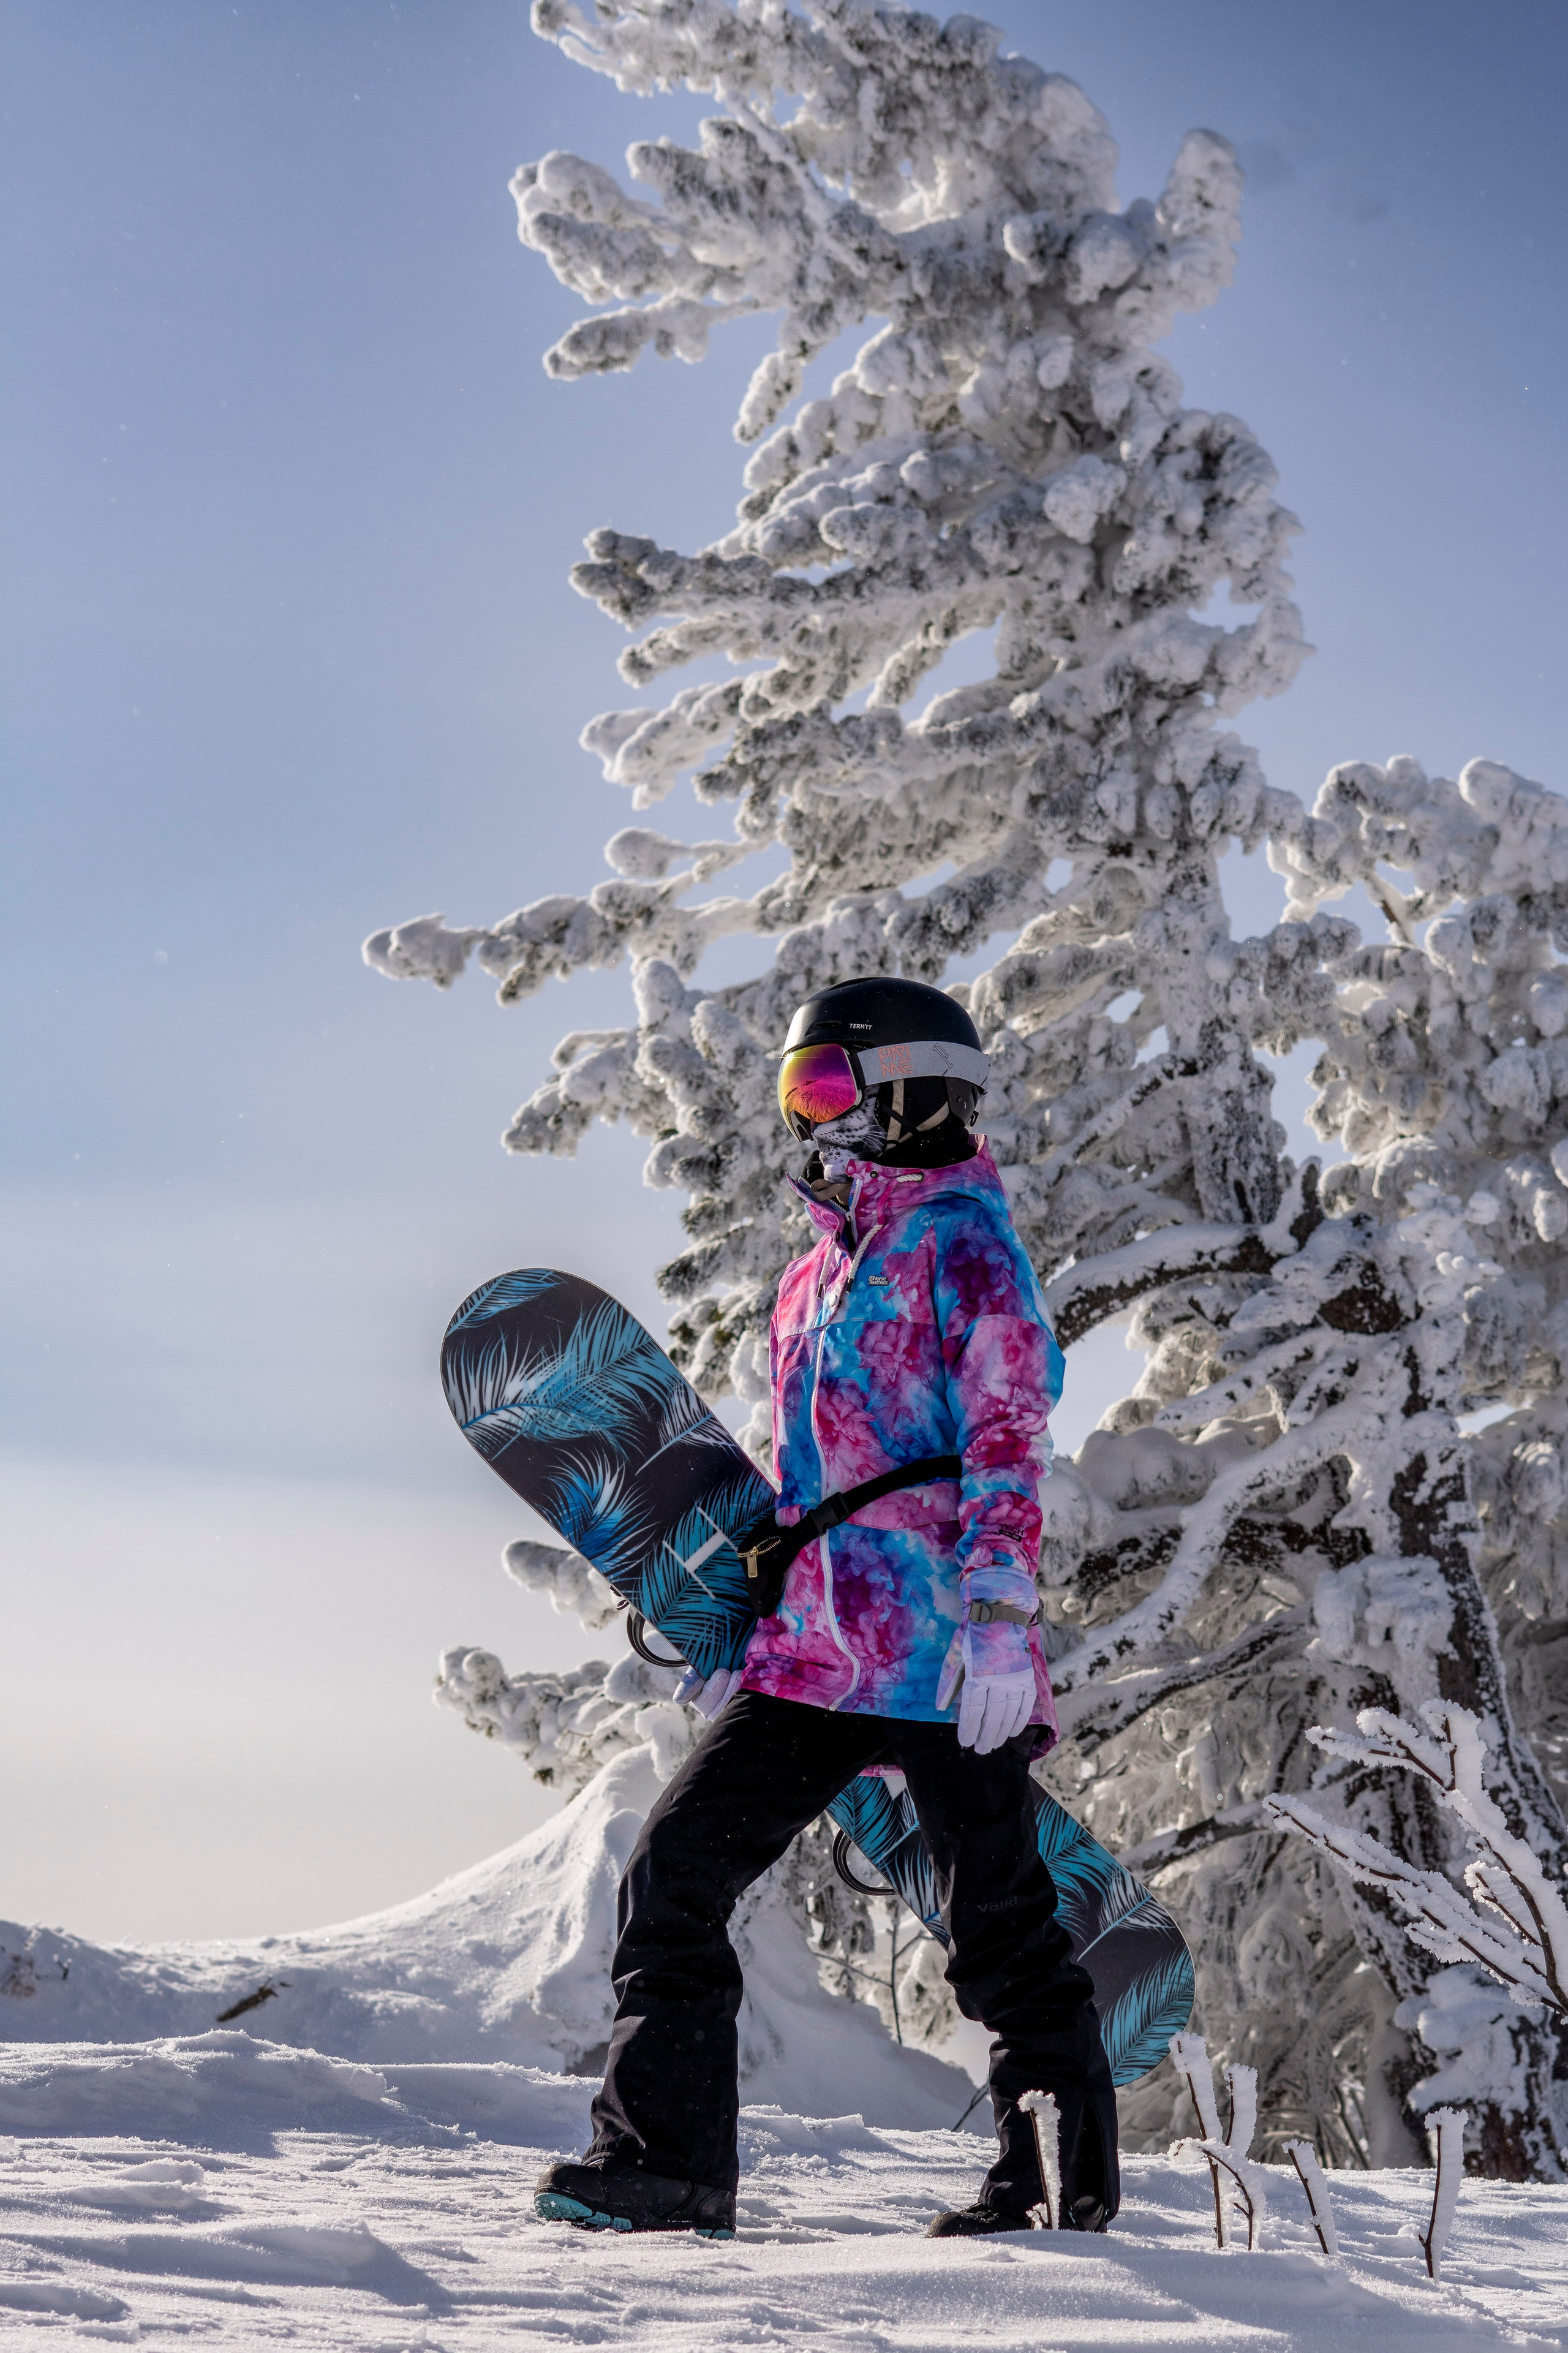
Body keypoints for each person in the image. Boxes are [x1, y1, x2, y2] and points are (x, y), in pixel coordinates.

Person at [534, 975, 1118, 2240]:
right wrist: (755, 1618)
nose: (811, 1117)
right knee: (673, 1873)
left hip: (939, 1650)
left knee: (997, 1928)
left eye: (829, 1085)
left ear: (911, 1089)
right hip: (810, 1655)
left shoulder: (967, 1246)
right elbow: (811, 1480)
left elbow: (1007, 1436)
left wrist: (1000, 1613)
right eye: (798, 1091)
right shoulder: (811, 1276)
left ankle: (1052, 2185)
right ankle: (665, 2166)